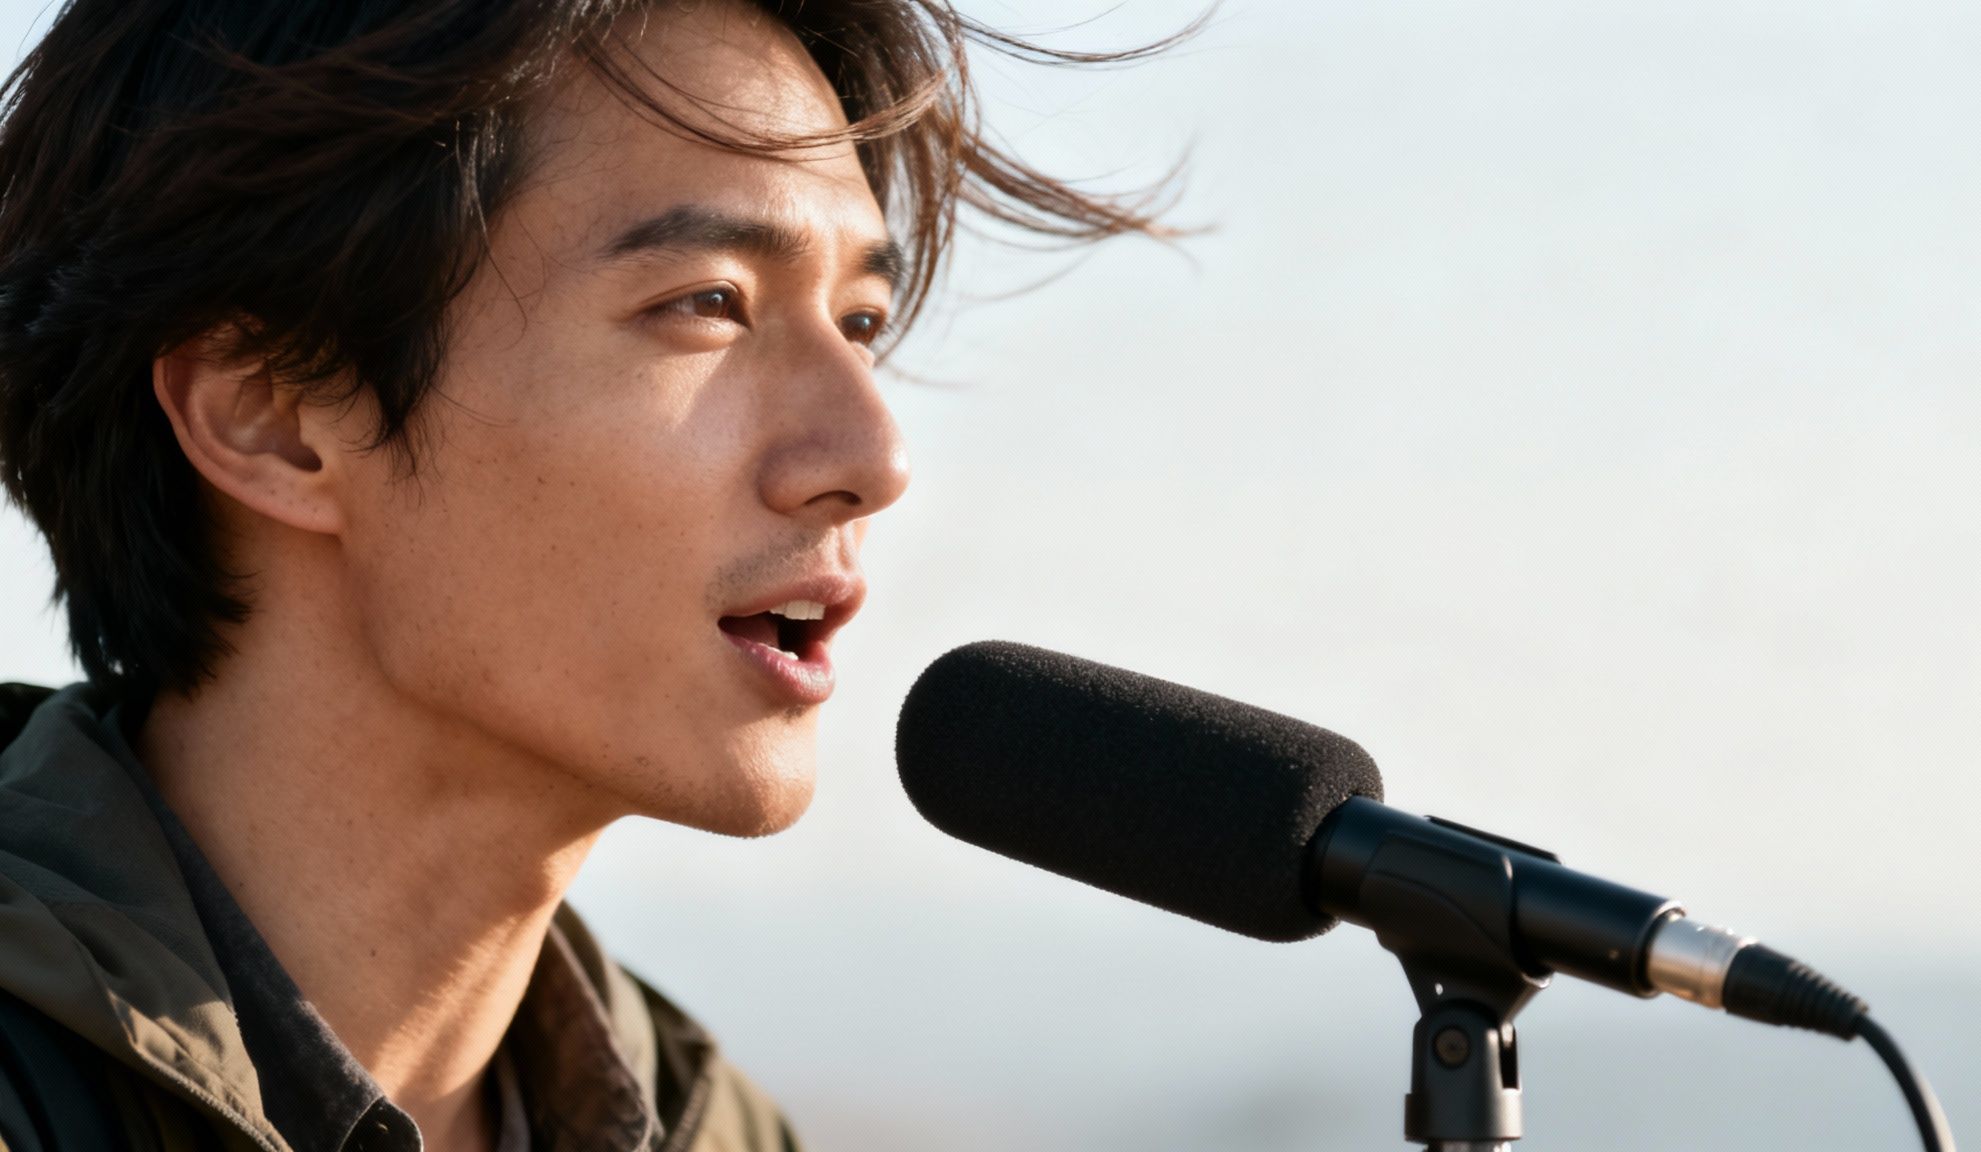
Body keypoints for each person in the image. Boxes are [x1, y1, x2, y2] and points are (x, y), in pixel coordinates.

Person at [0, 1, 1175, 1148]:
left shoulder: (715, 1130)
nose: (874, 460)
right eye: (708, 303)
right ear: (272, 416)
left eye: (859, 322)